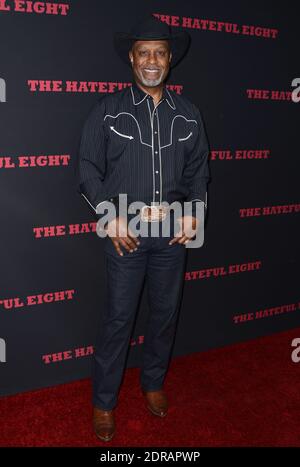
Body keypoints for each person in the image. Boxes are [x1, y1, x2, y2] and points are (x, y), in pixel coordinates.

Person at [76, 14, 210, 442]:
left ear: (170, 60)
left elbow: (199, 172)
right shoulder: (106, 110)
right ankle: (104, 402)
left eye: (160, 52)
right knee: (118, 319)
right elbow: (87, 170)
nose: (152, 60)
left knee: (165, 316)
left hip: (171, 235)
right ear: (132, 59)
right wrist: (108, 216)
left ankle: (152, 383)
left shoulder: (189, 115)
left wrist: (194, 211)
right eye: (144, 52)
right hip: (126, 233)